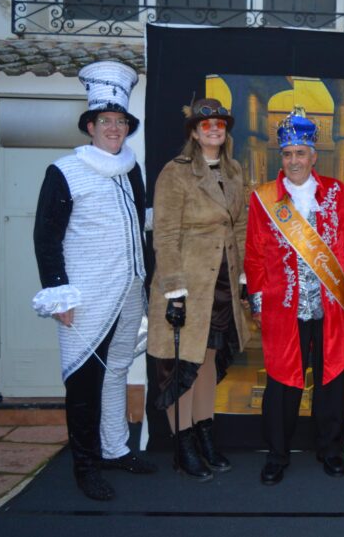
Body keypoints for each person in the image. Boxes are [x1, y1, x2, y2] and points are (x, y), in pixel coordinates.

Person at [32, 60, 157, 501]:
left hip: (128, 292)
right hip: (85, 296)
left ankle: (115, 447)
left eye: (120, 121)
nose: (114, 128)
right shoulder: (65, 170)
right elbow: (46, 236)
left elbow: (139, 222)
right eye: (106, 120)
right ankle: (85, 466)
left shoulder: (132, 168)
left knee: (118, 370)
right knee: (83, 384)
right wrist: (58, 293)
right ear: (90, 125)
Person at [245, 108, 344, 486]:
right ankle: (277, 454)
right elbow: (255, 254)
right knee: (282, 382)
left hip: (330, 305)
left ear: (313, 156)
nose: (294, 160)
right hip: (284, 306)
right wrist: (260, 303)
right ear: (283, 157)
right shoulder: (264, 199)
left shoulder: (337, 192)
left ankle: (330, 449)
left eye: (300, 153)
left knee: (333, 379)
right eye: (288, 154)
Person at [147, 99, 250, 481]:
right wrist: (174, 290)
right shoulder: (175, 174)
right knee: (181, 366)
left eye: (219, 124)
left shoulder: (235, 171)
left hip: (221, 285)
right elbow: (167, 233)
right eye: (205, 125)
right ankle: (183, 445)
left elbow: (240, 225)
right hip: (187, 286)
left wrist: (242, 277)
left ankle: (205, 435)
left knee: (206, 361)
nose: (213, 129)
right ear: (193, 132)